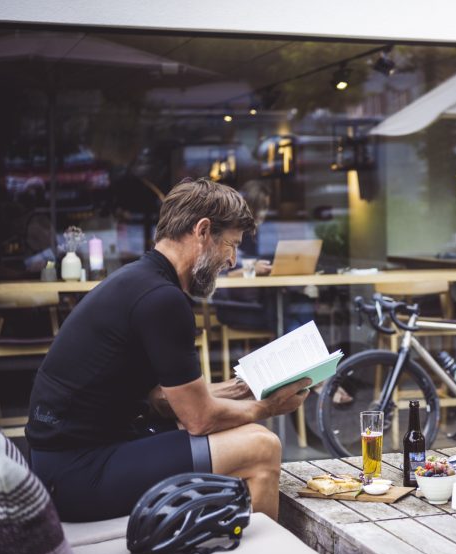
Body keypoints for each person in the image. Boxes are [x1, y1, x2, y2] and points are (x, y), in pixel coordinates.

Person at [26, 178, 311, 522]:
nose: (232, 260)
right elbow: (198, 418)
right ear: (203, 231)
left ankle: (226, 532)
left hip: (62, 464)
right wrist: (268, 406)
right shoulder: (163, 300)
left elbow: (163, 399)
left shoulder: (138, 281)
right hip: (79, 474)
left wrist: (241, 389)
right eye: (231, 245)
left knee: (246, 435)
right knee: (262, 447)